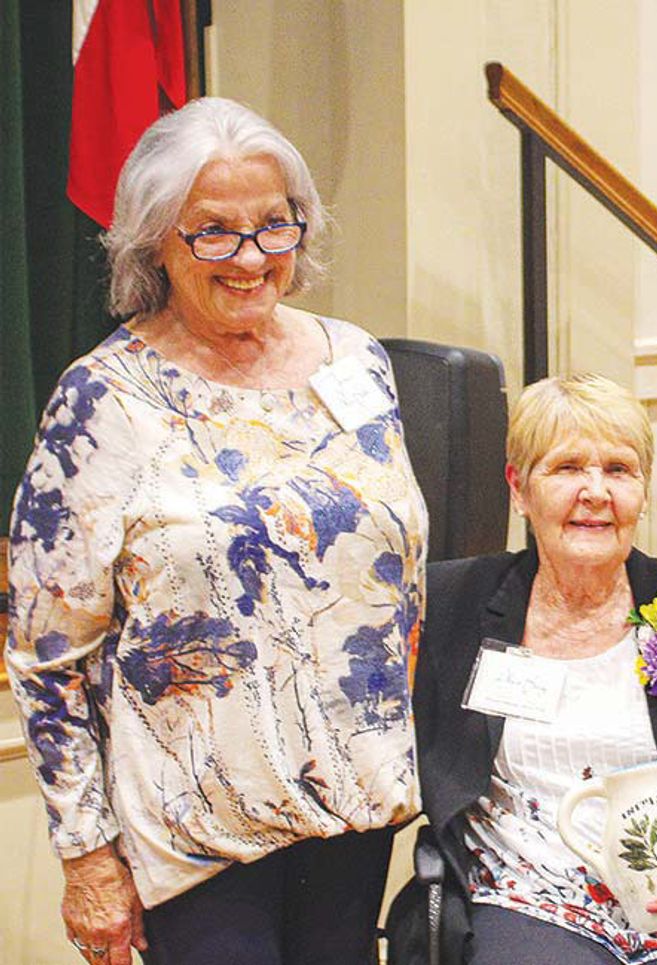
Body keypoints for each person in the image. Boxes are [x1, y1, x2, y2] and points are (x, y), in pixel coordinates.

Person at [5, 97, 427, 965]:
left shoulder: (357, 361)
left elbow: (401, 566)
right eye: (214, 232)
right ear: (155, 240)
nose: (251, 257)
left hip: (351, 807)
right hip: (193, 832)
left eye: (275, 226)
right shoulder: (102, 399)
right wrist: (88, 855)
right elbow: (44, 654)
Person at [393, 374, 657, 965]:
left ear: (643, 492)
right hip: (529, 893)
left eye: (619, 470)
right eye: (567, 467)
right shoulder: (454, 603)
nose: (595, 492)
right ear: (519, 489)